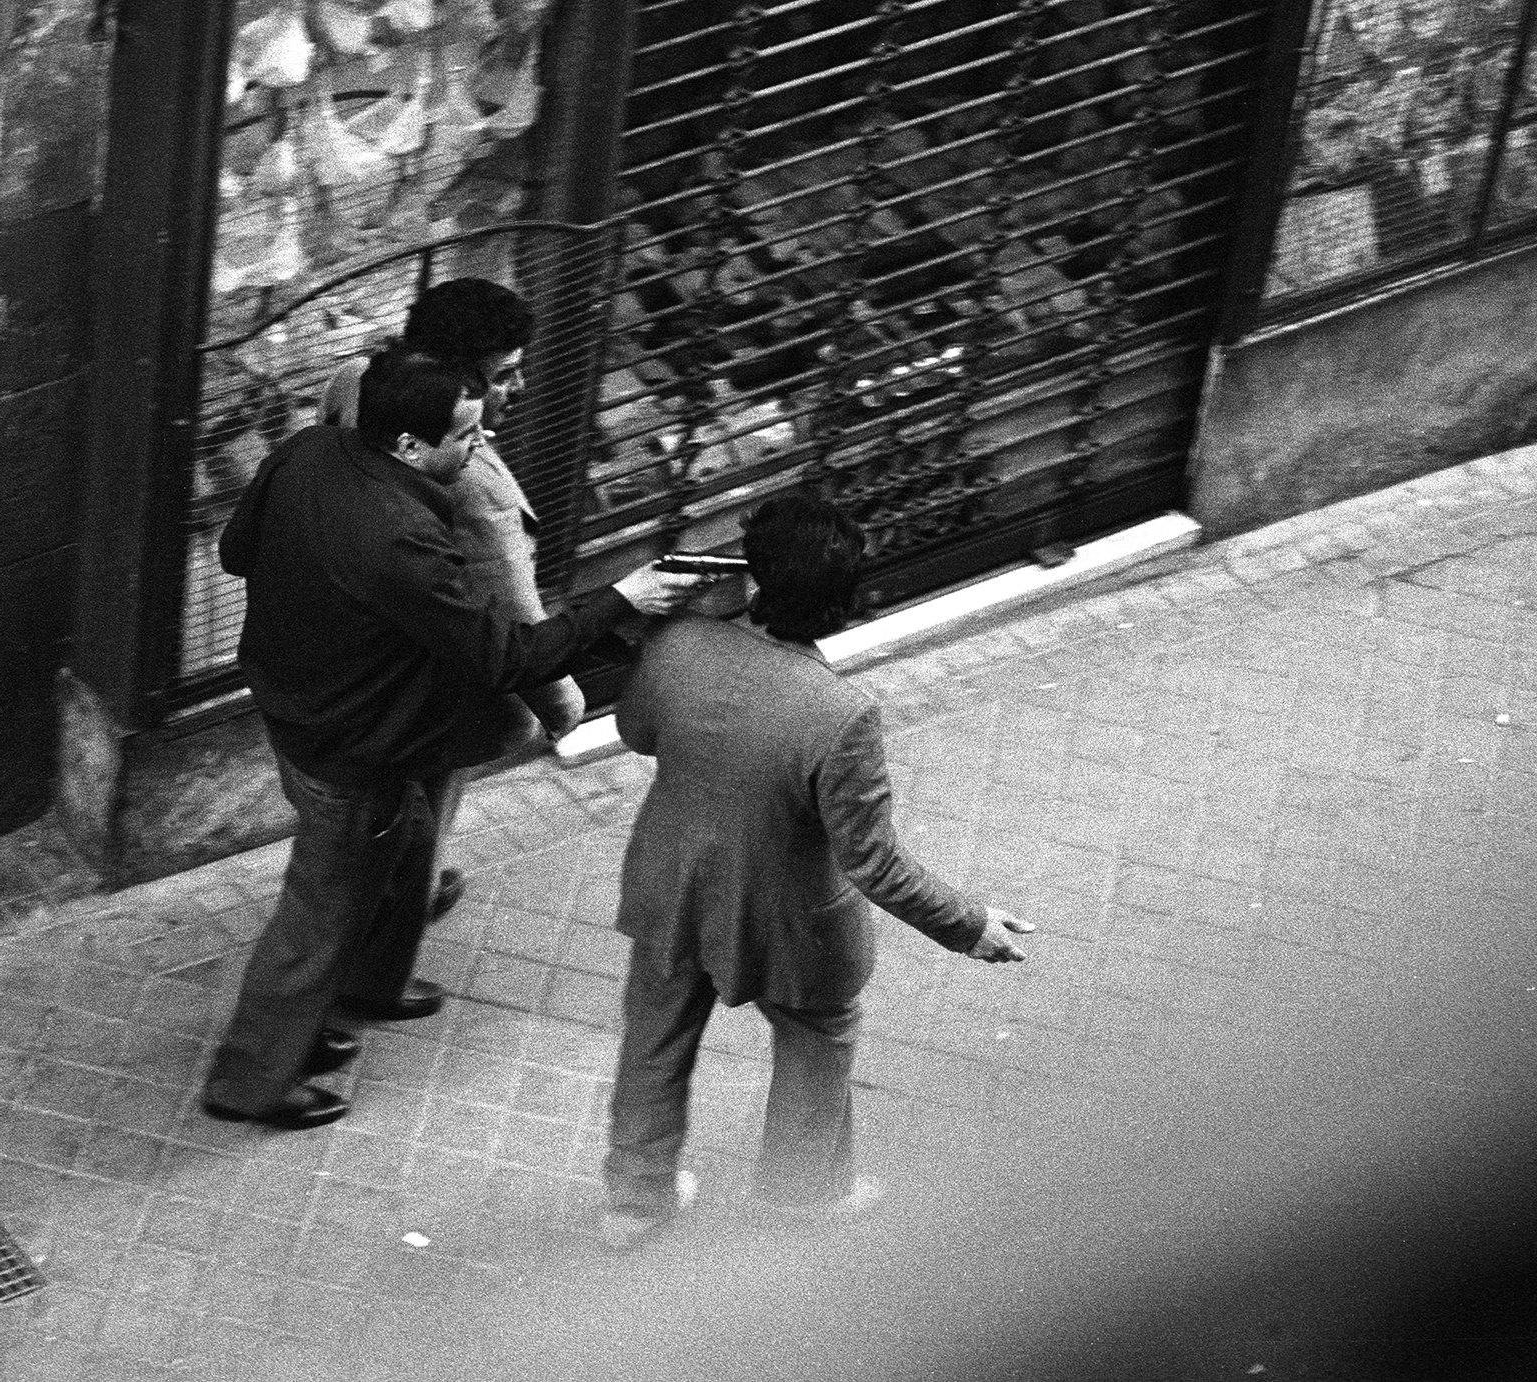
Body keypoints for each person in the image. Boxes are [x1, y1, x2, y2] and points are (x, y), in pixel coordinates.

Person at [202, 347, 710, 1131]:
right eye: (466, 437)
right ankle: (249, 1080)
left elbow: (238, 551)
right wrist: (623, 596)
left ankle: (365, 990)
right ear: (408, 444)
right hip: (351, 748)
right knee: (318, 913)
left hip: (298, 711)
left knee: (401, 846)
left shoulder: (304, 453)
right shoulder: (401, 537)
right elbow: (508, 655)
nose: (480, 450)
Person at [599, 493, 1035, 1247]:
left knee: (654, 1038)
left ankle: (635, 1202)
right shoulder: (842, 712)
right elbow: (873, 861)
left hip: (671, 889)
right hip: (789, 922)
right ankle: (802, 1189)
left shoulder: (675, 647)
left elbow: (638, 733)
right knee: (818, 1035)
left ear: (755, 577)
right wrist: (970, 925)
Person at [321, 278, 584, 922]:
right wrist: (564, 707)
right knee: (422, 819)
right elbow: (516, 616)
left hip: (352, 648)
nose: (518, 390)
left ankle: (373, 903)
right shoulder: (476, 483)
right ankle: (384, 951)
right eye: (505, 376)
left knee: (366, 814)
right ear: (461, 381)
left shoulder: (358, 381)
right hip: (435, 686)